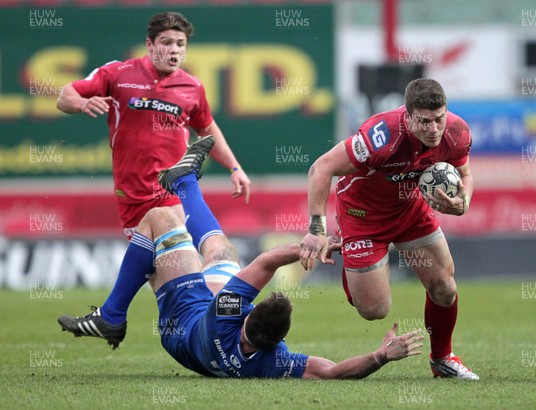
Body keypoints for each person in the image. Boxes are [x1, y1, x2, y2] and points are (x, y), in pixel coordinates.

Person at [57, 141, 424, 379]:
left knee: (160, 220)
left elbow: (266, 262)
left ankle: (112, 316)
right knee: (221, 252)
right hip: (203, 344)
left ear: (245, 311)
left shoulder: (227, 312)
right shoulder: (271, 362)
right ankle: (184, 179)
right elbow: (331, 372)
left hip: (181, 321)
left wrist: (312, 246)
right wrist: (380, 357)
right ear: (278, 342)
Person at [56, 11, 248, 320]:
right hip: (133, 199)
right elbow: (66, 95)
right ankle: (196, 324)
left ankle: (227, 321)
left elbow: (208, 130)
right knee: (165, 280)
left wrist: (235, 168)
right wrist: (82, 103)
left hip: (175, 190)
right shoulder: (118, 74)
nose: (174, 50)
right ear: (149, 44)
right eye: (167, 42)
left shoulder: (192, 88)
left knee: (215, 250)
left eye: (180, 44)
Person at [299, 78, 479, 380]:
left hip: (409, 210)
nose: (434, 130)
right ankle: (350, 255)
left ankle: (442, 359)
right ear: (407, 116)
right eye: (424, 122)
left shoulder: (457, 132)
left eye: (439, 119)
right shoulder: (381, 136)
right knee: (374, 309)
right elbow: (321, 168)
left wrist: (464, 202)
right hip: (362, 215)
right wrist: (317, 229)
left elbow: (466, 174)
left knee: (445, 288)